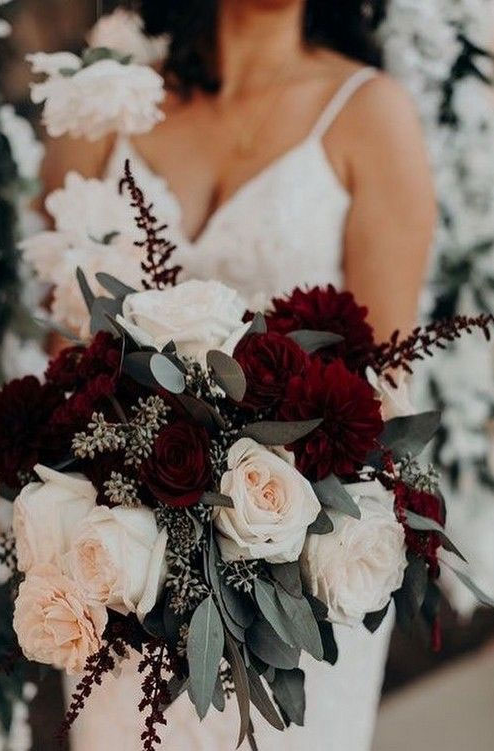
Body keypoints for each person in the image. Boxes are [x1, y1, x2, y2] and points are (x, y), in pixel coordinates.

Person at [41, 1, 436, 748]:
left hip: (292, 572)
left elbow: (380, 384)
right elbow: (60, 344)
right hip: (116, 559)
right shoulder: (108, 105)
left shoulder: (368, 113)